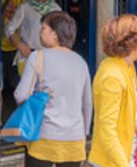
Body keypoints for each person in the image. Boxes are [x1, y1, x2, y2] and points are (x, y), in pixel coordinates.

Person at [14, 11, 92, 167]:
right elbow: (87, 103)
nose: (39, 31)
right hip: (74, 139)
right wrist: (84, 133)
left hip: (43, 135)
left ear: (56, 35)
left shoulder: (37, 57)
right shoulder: (81, 62)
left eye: (43, 28)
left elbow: (20, 95)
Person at [89, 14, 137, 167]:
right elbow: (107, 130)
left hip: (127, 154)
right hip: (112, 161)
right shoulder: (112, 76)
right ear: (131, 41)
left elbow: (134, 106)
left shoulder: (126, 66)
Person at [6, 0, 62, 74]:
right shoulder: (25, 7)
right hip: (27, 55)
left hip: (49, 57)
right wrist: (20, 45)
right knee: (28, 89)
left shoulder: (56, 10)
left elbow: (60, 35)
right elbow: (9, 29)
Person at [1, 0, 25, 118]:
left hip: (16, 49)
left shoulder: (21, 0)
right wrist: (5, 7)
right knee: (1, 86)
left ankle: (19, 120)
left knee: (18, 86)